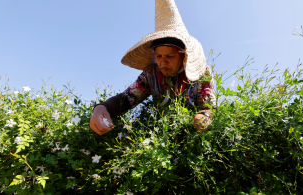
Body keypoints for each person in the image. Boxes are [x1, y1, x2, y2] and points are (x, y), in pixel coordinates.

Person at [90, 0, 216, 135]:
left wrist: (204, 116)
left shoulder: (201, 73)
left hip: (194, 137)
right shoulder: (151, 74)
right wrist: (102, 108)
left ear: (183, 55)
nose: (162, 63)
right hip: (163, 137)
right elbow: (128, 98)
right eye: (158, 56)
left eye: (170, 56)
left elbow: (210, 108)